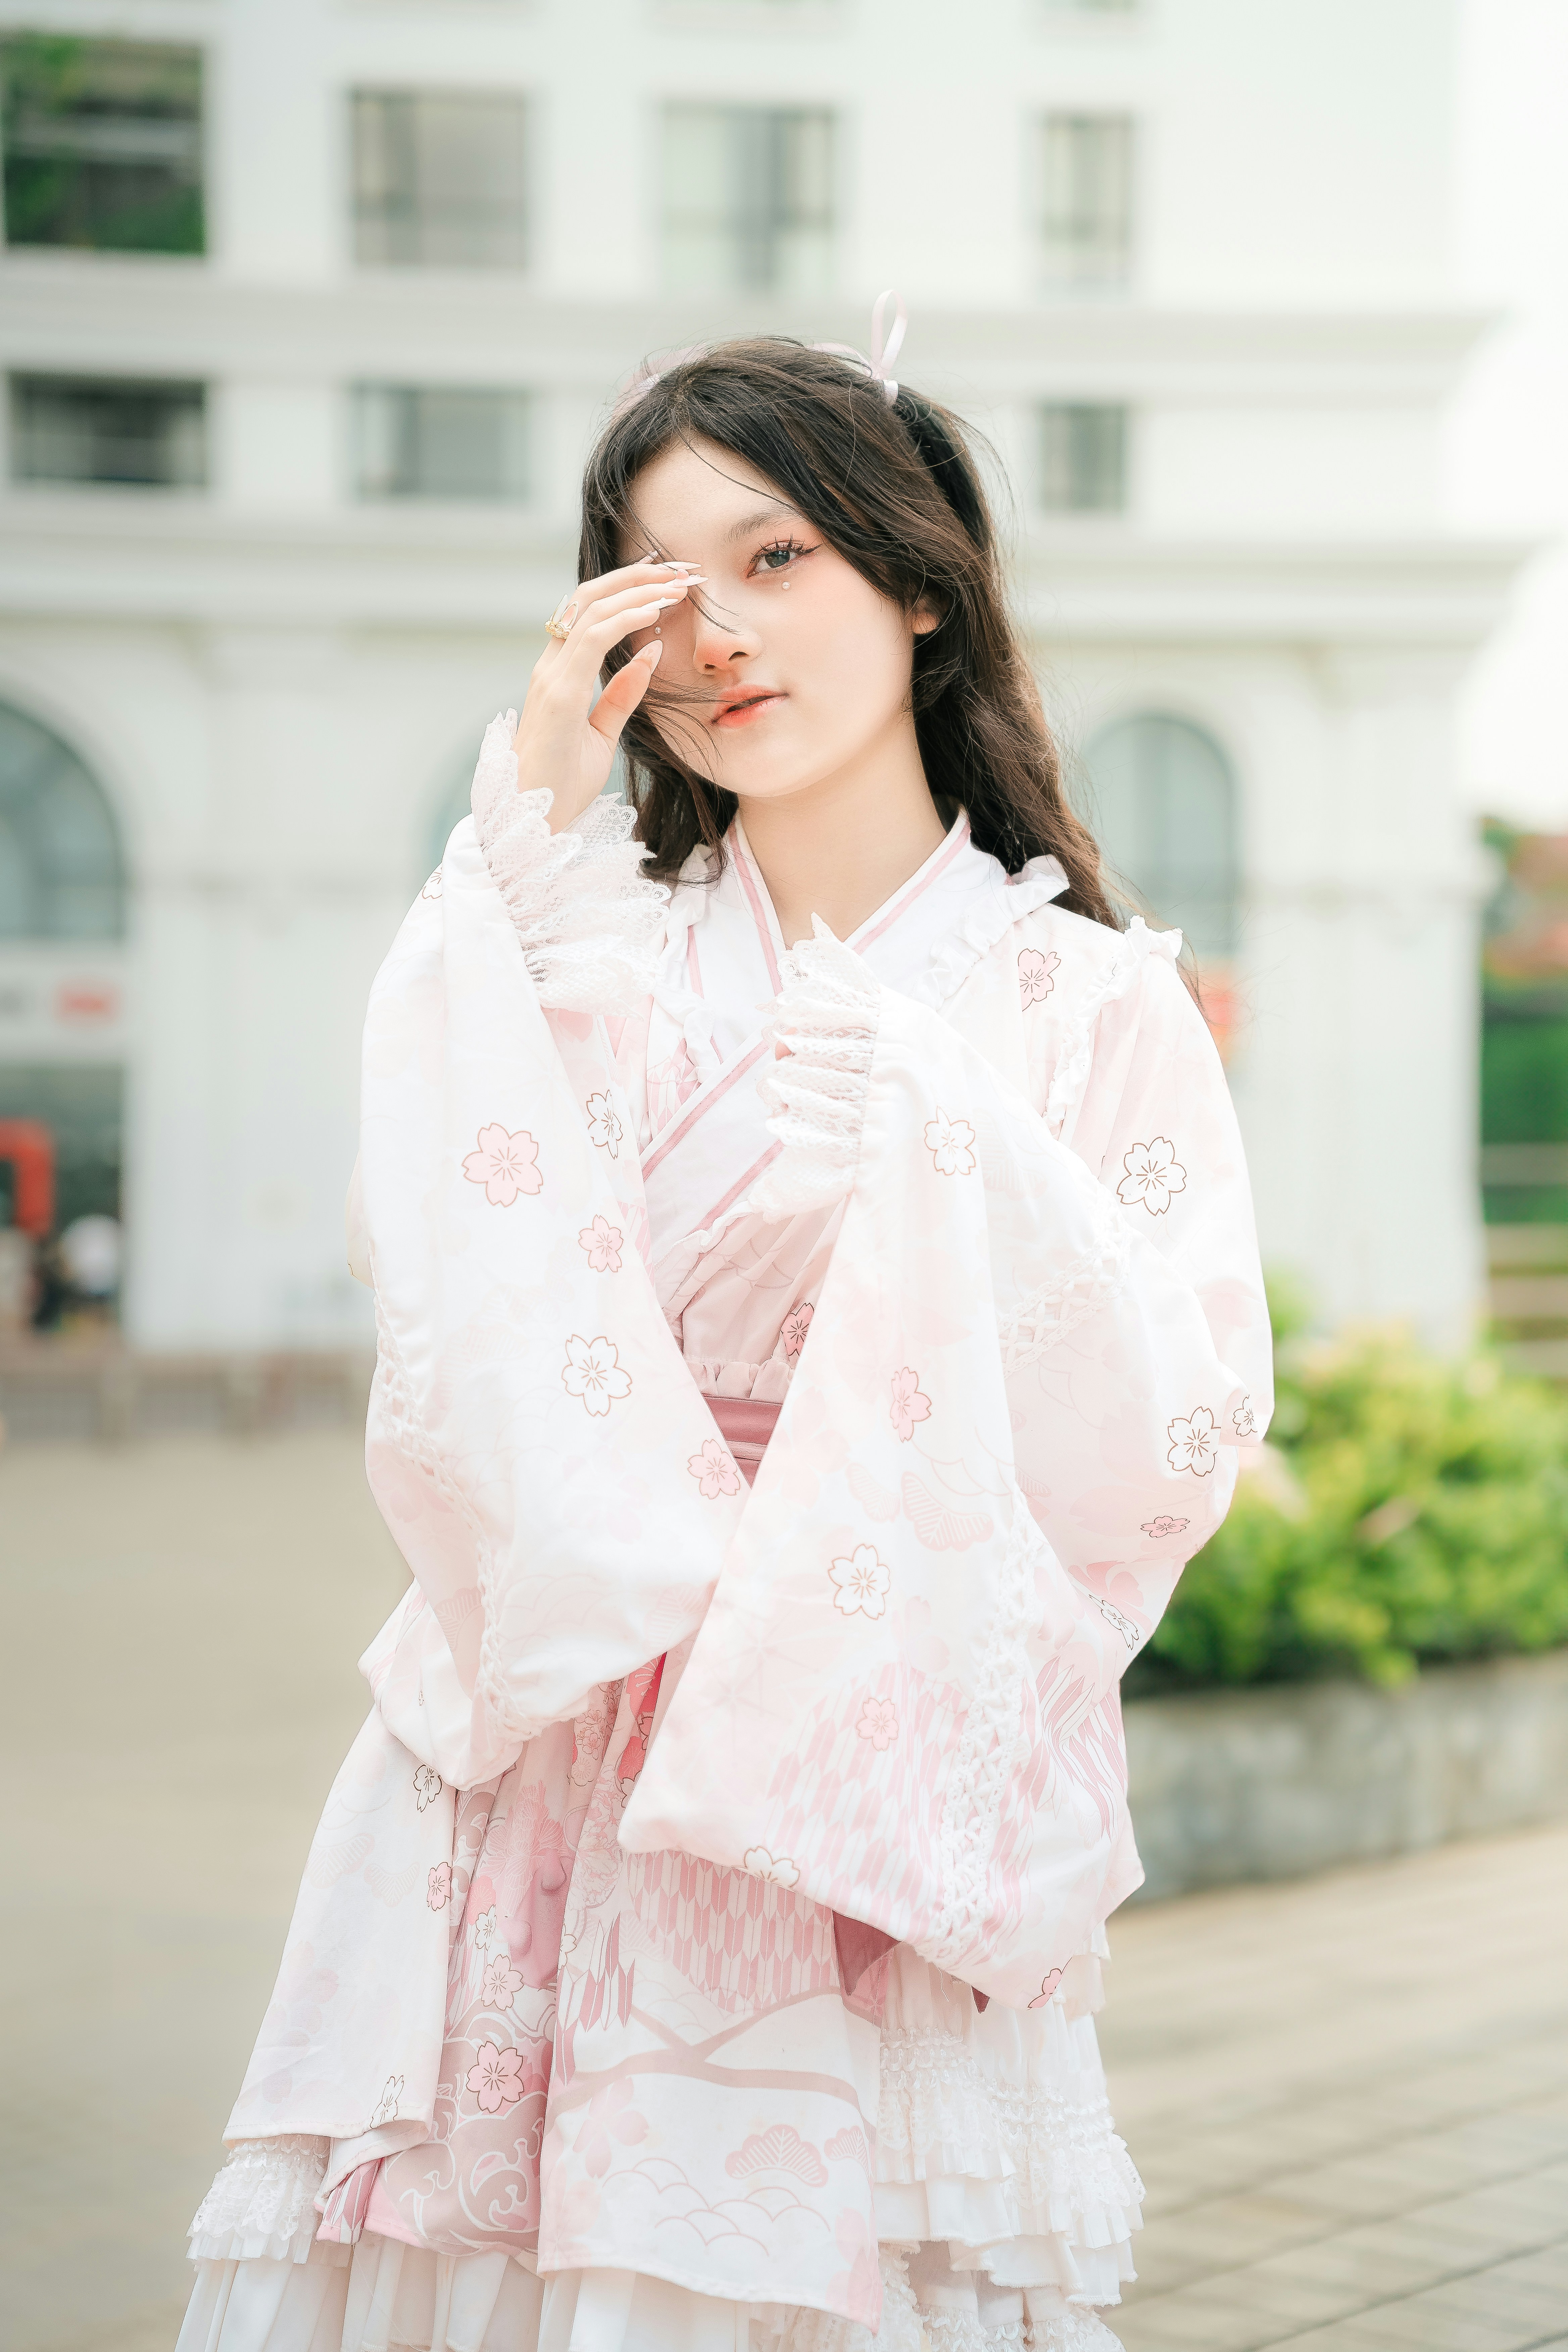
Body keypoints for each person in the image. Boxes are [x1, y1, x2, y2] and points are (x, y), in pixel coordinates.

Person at [178, 326, 1272, 2352]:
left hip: (864, 1742)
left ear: (919, 581)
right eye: (665, 589)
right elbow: (435, 1270)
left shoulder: (1092, 1005)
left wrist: (946, 1142)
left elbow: (1178, 1423)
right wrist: (531, 819)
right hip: (555, 1739)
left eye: (777, 560)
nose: (721, 640)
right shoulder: (581, 951)